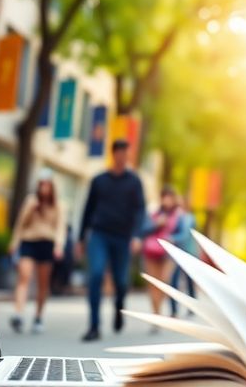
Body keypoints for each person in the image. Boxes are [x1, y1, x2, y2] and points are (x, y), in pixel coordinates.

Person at [77, 139, 147, 341]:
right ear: (114, 154)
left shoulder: (134, 182)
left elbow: (140, 211)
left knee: (121, 282)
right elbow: (88, 209)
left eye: (127, 154)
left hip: (123, 238)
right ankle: (94, 326)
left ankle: (119, 306)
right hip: (100, 234)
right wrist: (81, 238)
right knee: (96, 274)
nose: (123, 157)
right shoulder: (99, 180)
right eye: (120, 153)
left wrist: (136, 235)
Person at [7, 171, 66, 334]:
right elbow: (20, 223)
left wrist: (59, 246)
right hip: (29, 242)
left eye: (47, 184)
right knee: (24, 277)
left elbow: (60, 227)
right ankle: (18, 314)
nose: (44, 187)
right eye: (41, 184)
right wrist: (14, 242)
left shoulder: (58, 205)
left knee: (43, 283)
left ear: (51, 186)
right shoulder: (31, 202)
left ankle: (38, 316)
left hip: (47, 244)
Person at [142, 187, 182, 329]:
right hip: (151, 251)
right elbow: (143, 230)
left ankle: (158, 311)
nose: (166, 200)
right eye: (164, 196)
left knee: (164, 282)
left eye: (169, 197)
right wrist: (156, 224)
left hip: (168, 253)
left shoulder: (179, 215)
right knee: (153, 283)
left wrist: (172, 238)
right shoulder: (153, 213)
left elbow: (183, 234)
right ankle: (156, 314)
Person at [168, 200, 197, 318]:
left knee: (189, 281)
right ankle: (174, 310)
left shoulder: (189, 218)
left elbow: (184, 235)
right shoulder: (176, 217)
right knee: (174, 280)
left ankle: (192, 306)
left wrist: (171, 238)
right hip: (177, 254)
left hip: (187, 254)